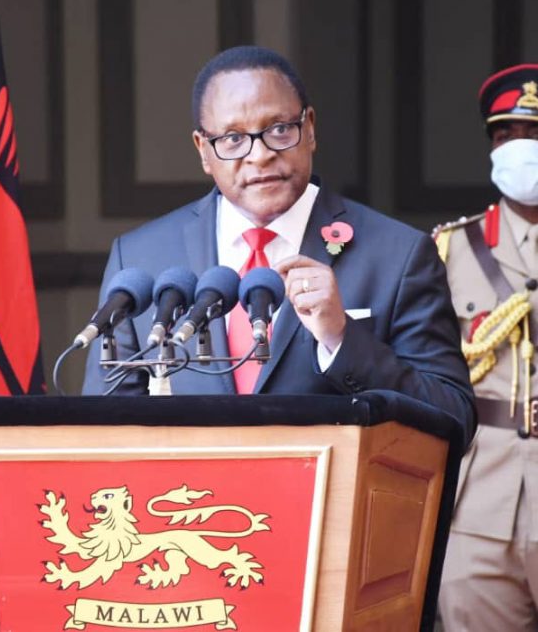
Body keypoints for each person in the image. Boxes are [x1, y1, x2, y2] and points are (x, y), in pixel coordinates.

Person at [82, 45, 474, 442]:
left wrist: (341, 338)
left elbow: (454, 417)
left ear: (310, 129)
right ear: (203, 150)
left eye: (280, 130)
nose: (260, 155)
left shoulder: (399, 255)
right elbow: (103, 435)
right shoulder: (139, 258)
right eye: (233, 138)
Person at [436, 64, 538, 630]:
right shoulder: (449, 250)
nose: (520, 148)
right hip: (480, 507)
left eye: (534, 134)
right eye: (506, 135)